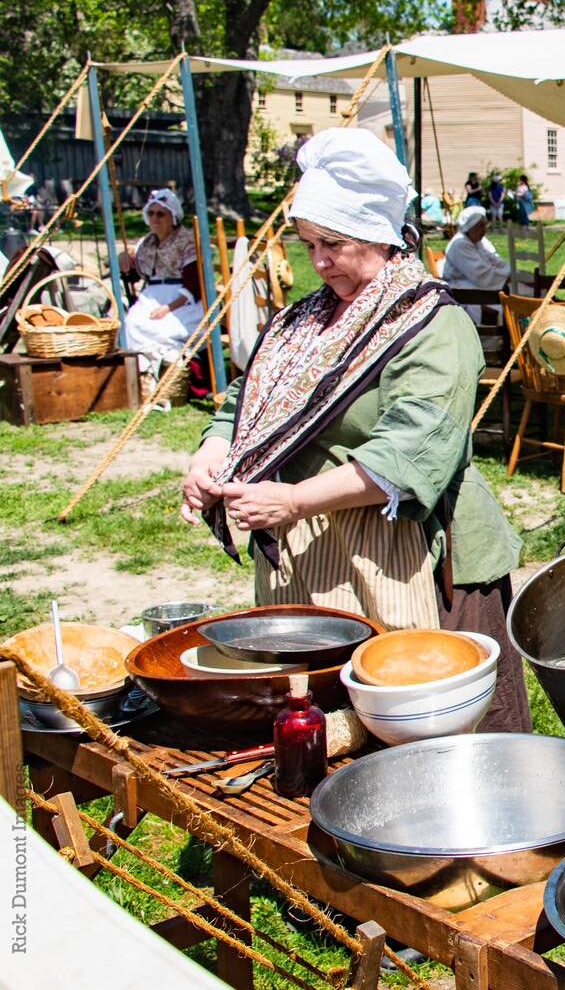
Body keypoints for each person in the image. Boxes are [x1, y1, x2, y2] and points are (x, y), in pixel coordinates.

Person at [179, 128, 531, 734]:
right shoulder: (305, 320)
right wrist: (212, 454)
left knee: (443, 726)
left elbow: (411, 447)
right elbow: (247, 397)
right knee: (333, 721)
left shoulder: (430, 324)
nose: (317, 262)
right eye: (308, 244)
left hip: (417, 556)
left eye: (333, 245)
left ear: (378, 236)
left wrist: (291, 499)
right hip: (315, 553)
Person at [117, 189, 205, 364]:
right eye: (151, 213)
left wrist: (167, 308)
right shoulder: (147, 242)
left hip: (181, 299)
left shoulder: (186, 240)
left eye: (160, 214)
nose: (155, 219)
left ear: (172, 216)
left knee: (164, 331)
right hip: (152, 296)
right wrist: (126, 261)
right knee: (131, 324)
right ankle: (145, 371)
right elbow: (137, 274)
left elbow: (194, 285)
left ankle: (173, 368)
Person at [443, 206, 510, 295]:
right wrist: (507, 277)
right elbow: (481, 275)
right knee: (512, 292)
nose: (485, 229)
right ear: (469, 226)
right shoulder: (460, 244)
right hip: (462, 291)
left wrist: (512, 272)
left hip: (476, 284)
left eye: (485, 225)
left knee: (519, 288)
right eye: (480, 226)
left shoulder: (479, 240)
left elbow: (495, 259)